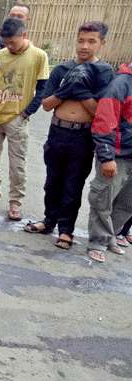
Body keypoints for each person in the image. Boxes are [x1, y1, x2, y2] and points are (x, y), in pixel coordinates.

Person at [24, 22, 114, 250]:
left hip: (82, 137)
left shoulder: (104, 72)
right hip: (57, 132)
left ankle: (66, 230)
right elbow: (46, 104)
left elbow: (98, 112)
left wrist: (81, 90)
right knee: (51, 182)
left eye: (91, 41)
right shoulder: (62, 70)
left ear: (102, 43)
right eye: (81, 40)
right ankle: (48, 221)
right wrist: (65, 90)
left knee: (72, 185)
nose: (84, 46)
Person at [0, 18, 48, 220]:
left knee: (17, 163)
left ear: (24, 35)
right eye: (6, 42)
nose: (9, 46)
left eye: (13, 42)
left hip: (17, 117)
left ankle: (15, 202)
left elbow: (42, 89)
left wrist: (26, 113)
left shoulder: (38, 56)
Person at [86, 61, 132, 263]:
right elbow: (104, 121)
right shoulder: (121, 84)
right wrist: (107, 156)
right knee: (104, 199)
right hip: (118, 155)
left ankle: (110, 235)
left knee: (128, 203)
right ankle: (98, 241)